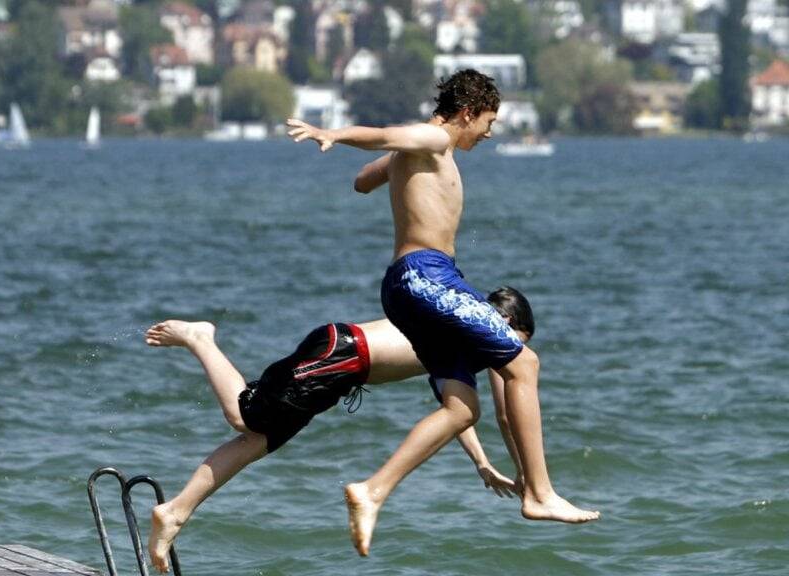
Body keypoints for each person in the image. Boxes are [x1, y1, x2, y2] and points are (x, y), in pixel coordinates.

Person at [287, 68, 599, 556]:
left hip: (410, 286)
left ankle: (372, 491)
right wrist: (334, 133)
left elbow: (363, 181)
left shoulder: (425, 150)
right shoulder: (433, 137)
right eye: (488, 121)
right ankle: (539, 494)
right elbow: (386, 137)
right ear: (468, 112)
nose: (490, 133)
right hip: (426, 278)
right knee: (524, 362)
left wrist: (391, 169)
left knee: (461, 409)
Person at [143, 288, 533, 573]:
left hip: (341, 364)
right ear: (506, 323)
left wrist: (482, 464)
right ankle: (200, 338)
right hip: (343, 353)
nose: (511, 359)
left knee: (258, 439)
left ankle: (175, 511)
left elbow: (455, 412)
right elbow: (503, 413)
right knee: (247, 417)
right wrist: (528, 479)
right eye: (517, 344)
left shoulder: (459, 341)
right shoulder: (472, 332)